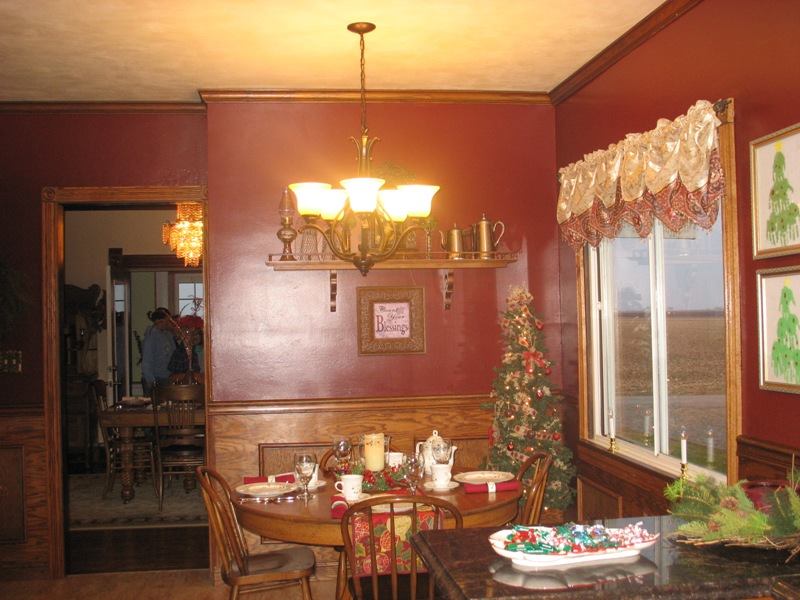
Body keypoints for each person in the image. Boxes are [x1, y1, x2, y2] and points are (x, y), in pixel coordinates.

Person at [141, 307, 176, 395]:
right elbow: (147, 361)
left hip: (167, 378)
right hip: (155, 379)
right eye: (168, 320)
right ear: (161, 321)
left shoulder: (168, 334)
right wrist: (151, 382)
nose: (170, 322)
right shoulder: (151, 336)